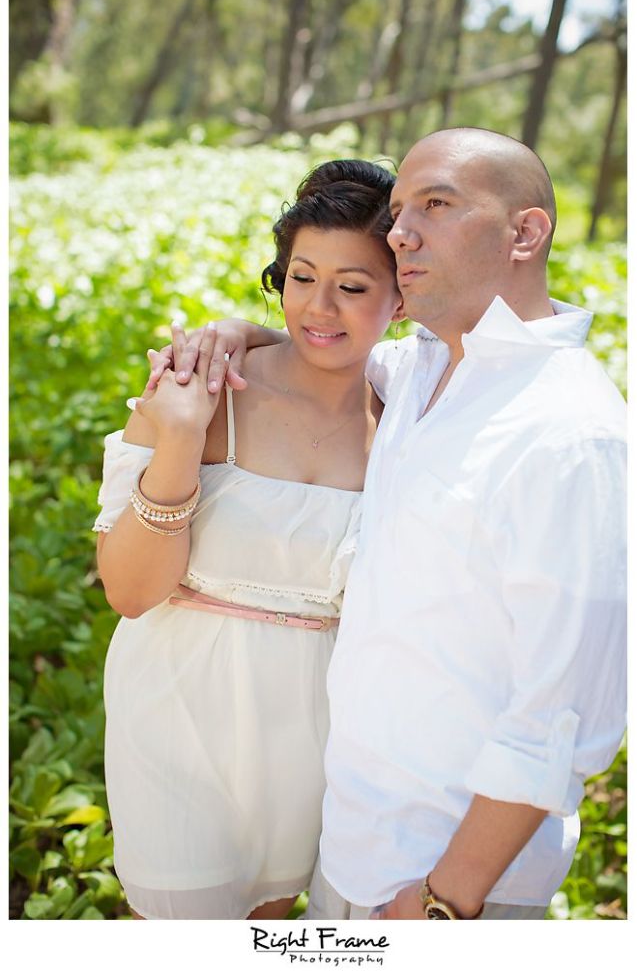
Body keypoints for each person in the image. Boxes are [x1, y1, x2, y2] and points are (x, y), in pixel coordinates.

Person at [157, 127, 626, 920]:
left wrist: (446, 902)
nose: (399, 232)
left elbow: (561, 718)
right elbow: (323, 342)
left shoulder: (570, 433)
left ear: (525, 231)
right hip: (350, 849)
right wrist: (233, 334)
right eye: (398, 209)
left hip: (446, 884)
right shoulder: (420, 369)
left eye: (435, 205)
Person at [92, 159, 404, 920]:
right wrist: (177, 442)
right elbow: (131, 593)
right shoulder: (199, 386)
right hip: (177, 711)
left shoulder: (411, 415)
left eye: (353, 287)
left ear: (403, 296)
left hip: (321, 731)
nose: (318, 307)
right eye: (300, 277)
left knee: (271, 922)